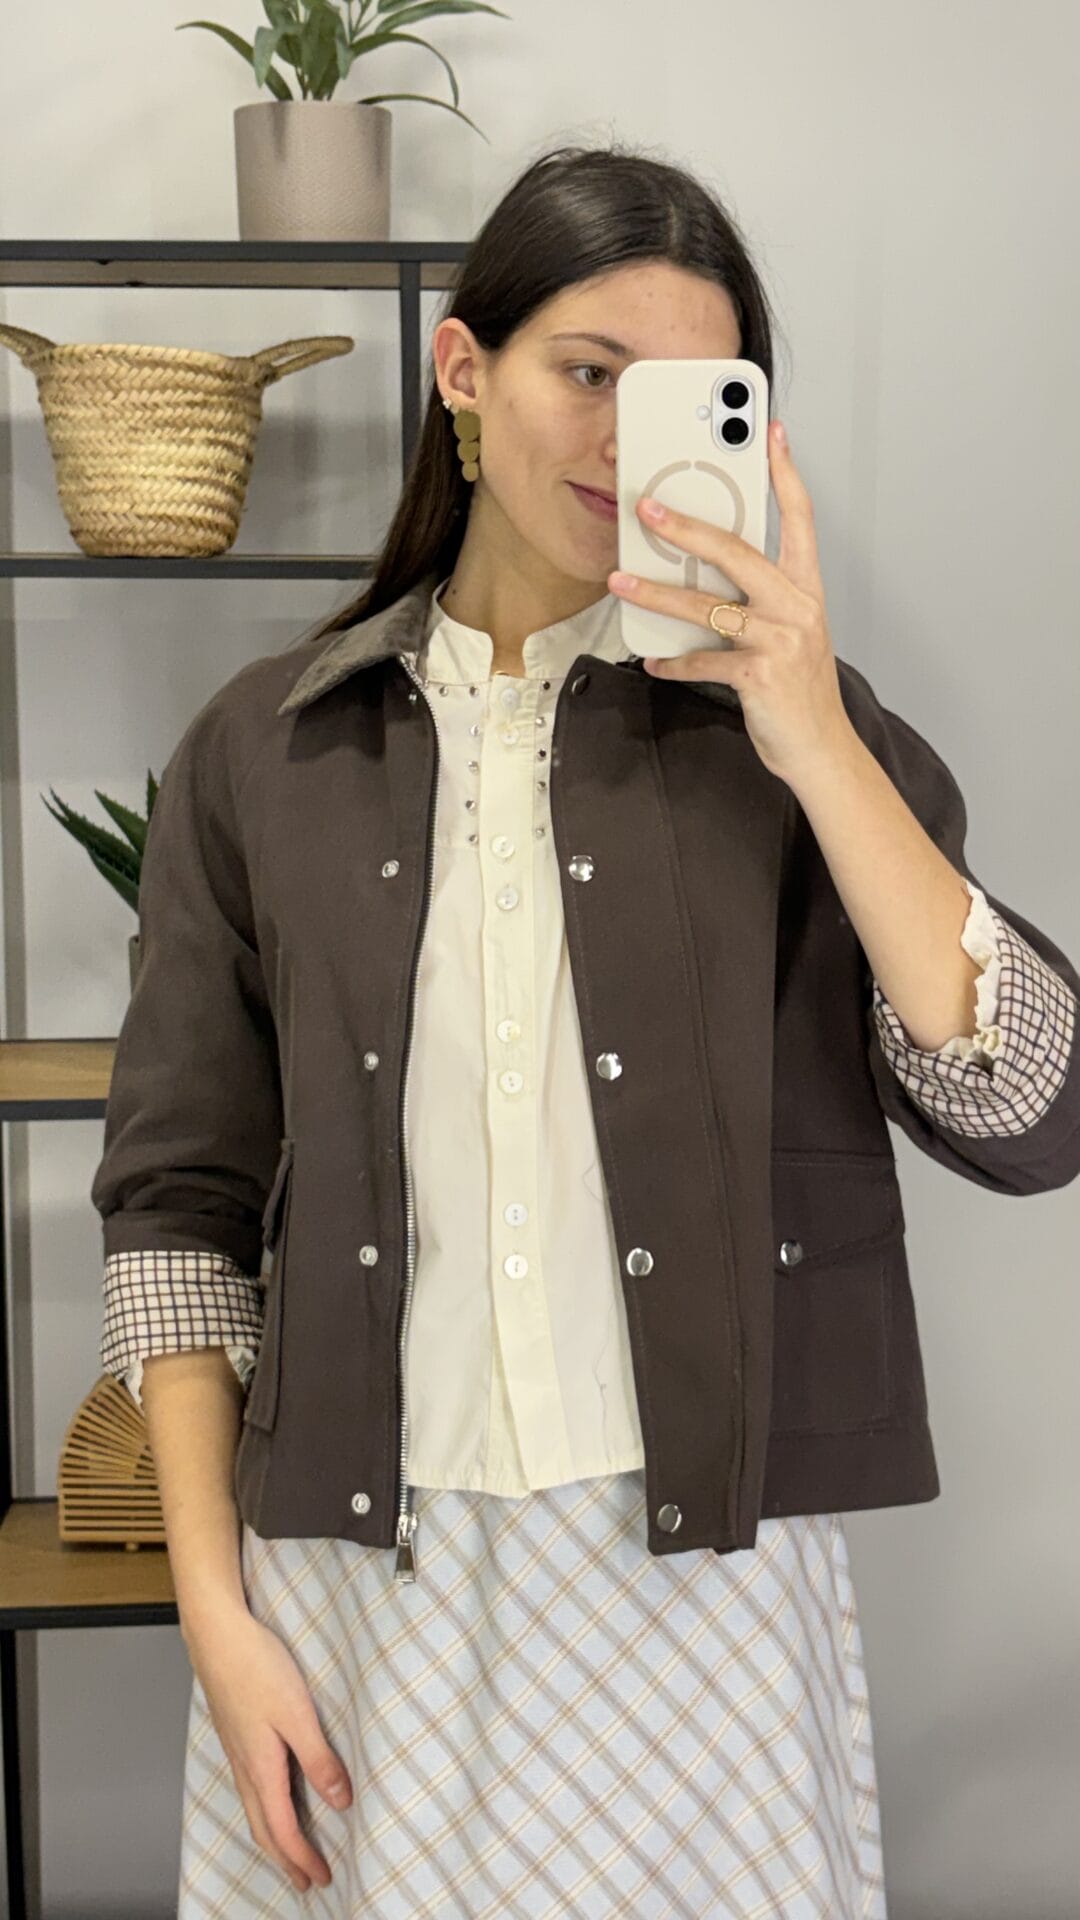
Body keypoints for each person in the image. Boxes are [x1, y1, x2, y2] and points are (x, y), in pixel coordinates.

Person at [90, 142, 1079, 1917]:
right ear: (463, 373)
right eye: (587, 372)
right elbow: (179, 1212)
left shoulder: (801, 739)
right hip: (354, 1593)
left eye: (688, 392)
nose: (627, 439)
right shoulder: (265, 750)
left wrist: (811, 732)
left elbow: (1032, 1111)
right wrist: (217, 1619)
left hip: (701, 1587)